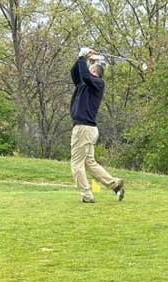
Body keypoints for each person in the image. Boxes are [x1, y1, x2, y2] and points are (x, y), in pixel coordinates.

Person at [70, 47, 124, 203]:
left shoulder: (98, 83)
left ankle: (86, 195)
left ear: (95, 70)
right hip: (87, 129)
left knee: (76, 164)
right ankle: (115, 184)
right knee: (89, 163)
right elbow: (75, 73)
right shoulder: (83, 84)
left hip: (83, 128)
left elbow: (85, 76)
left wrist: (83, 57)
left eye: (91, 65)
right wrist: (81, 57)